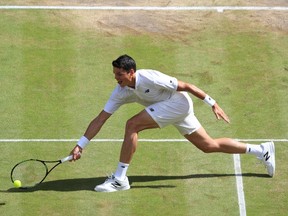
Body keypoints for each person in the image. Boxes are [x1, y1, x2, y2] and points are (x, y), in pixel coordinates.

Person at [70, 54, 275, 192]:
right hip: (173, 108)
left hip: (177, 103)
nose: (116, 79)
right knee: (208, 146)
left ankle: (120, 179)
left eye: (119, 74)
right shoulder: (121, 91)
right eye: (115, 74)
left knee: (132, 125)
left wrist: (213, 104)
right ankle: (261, 150)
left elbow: (186, 86)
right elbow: (101, 118)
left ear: (131, 72)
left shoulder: (150, 77)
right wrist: (81, 144)